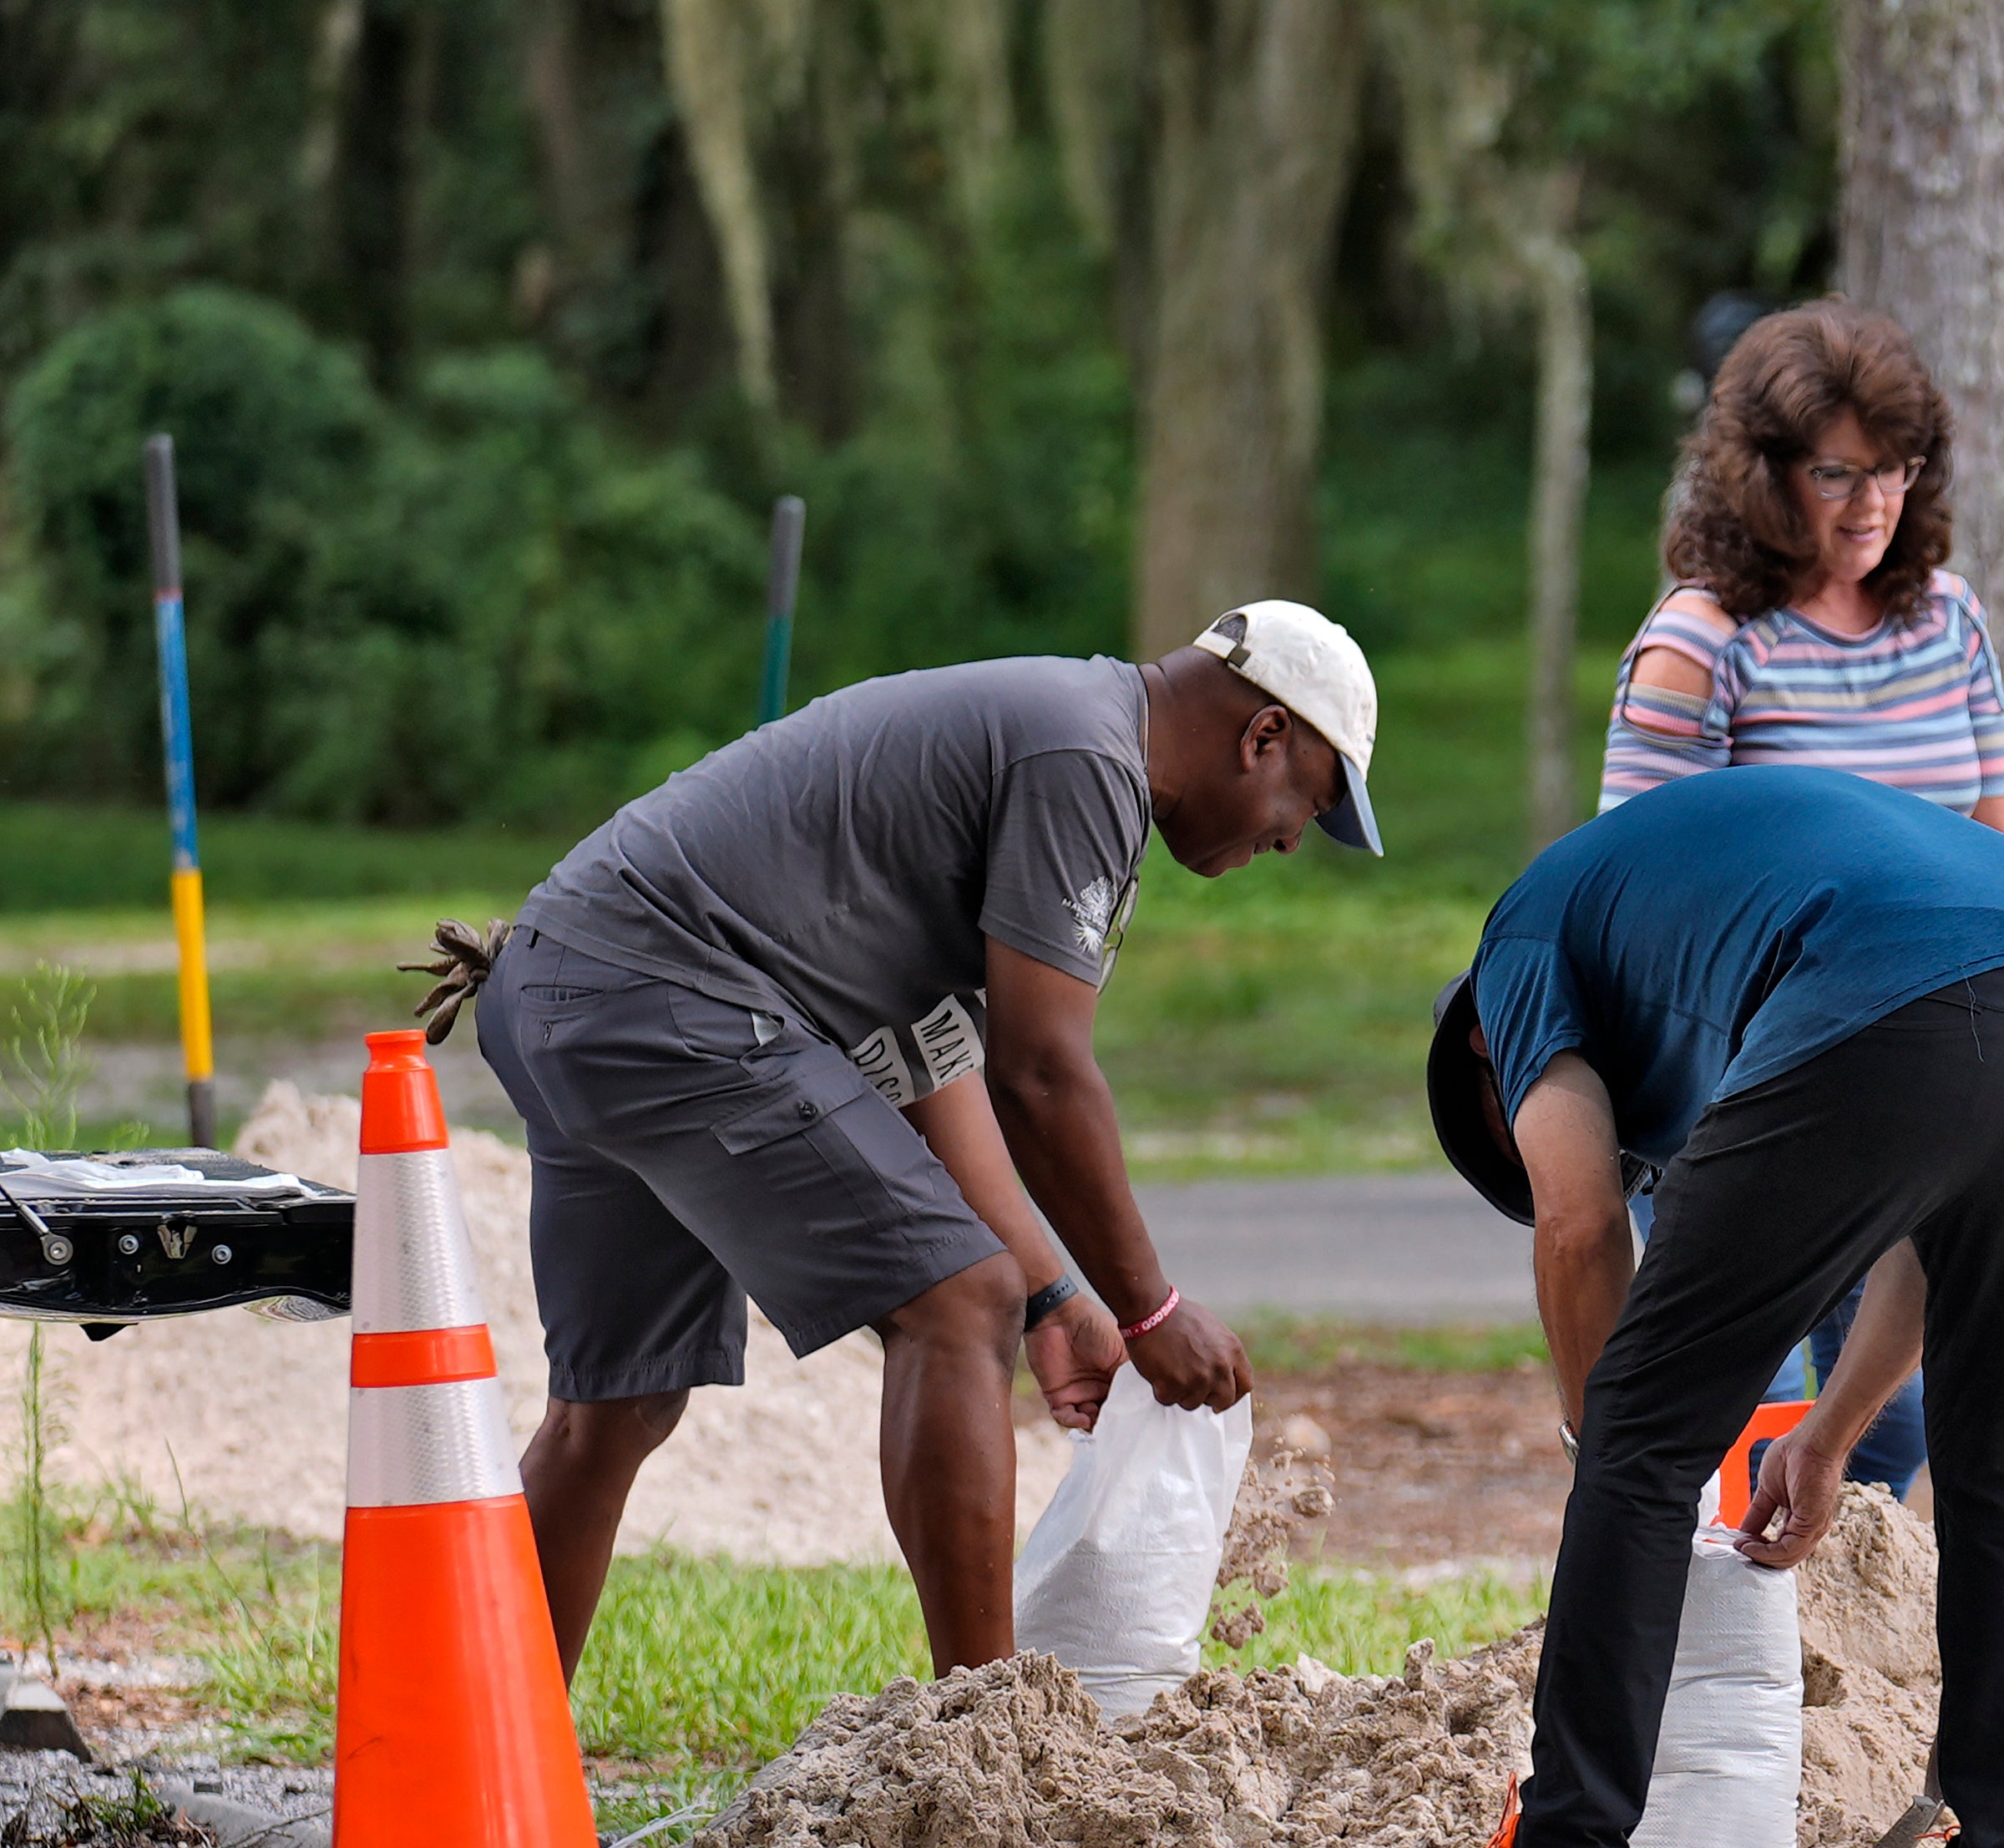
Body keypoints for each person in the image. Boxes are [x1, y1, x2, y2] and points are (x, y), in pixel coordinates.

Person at [470, 602, 1382, 1683]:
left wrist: (1057, 1298)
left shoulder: (1052, 725)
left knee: (608, 1414)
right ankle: (984, 1737)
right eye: (1305, 806)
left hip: (569, 978)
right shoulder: (1085, 761)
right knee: (958, 1301)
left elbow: (933, 1060)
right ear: (1263, 735)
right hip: (662, 991)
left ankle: (475, 1776)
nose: (1285, 840)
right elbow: (1041, 1074)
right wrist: (1152, 1311)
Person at [1372, 767, 2004, 1848]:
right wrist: (1829, 1434)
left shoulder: (1518, 950)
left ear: (1485, 1053)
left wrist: (1621, 1458)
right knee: (2003, 1465)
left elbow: (1579, 1224)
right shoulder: (1687, 927)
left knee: (1639, 1422)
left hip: (1892, 991)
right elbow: (1928, 1246)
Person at [1601, 299, 2004, 1496]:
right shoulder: (1703, 643)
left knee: (1893, 1426)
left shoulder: (1948, 620)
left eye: (1894, 472)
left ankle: (1853, 1674)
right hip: (1750, 1094)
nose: (1871, 507)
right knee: (1752, 1407)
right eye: (1837, 474)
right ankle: (1728, 1664)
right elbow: (1633, 899)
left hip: (1927, 1089)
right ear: (1758, 473)